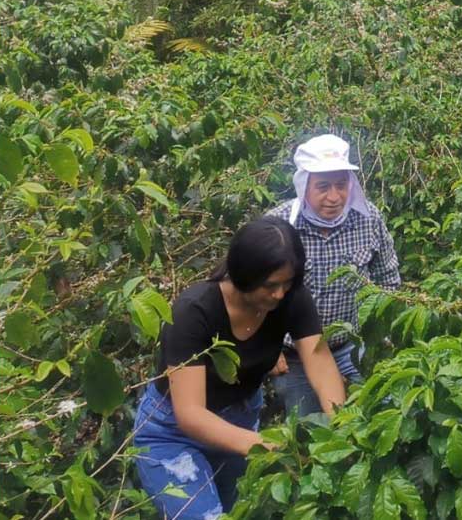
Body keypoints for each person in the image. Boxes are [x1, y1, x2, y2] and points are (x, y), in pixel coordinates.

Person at [133, 217, 345, 519]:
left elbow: (320, 362)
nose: (279, 294)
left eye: (288, 283)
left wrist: (343, 428)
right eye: (270, 285)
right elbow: (190, 414)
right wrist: (270, 446)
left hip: (240, 418)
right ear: (244, 273)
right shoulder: (193, 311)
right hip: (172, 432)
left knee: (237, 510)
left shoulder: (291, 298)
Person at [267, 133, 401, 416]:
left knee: (376, 417)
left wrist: (381, 337)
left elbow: (388, 282)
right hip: (296, 358)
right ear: (305, 186)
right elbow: (251, 295)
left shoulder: (368, 220)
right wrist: (265, 347)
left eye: (341, 185)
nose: (334, 196)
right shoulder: (277, 227)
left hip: (352, 348)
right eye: (323, 187)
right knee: (313, 433)